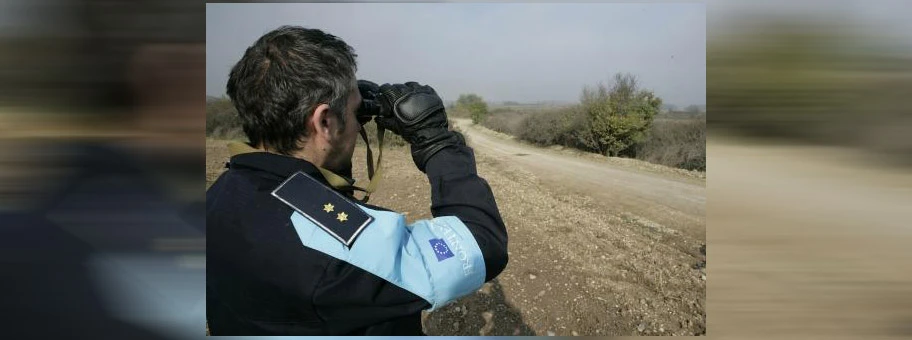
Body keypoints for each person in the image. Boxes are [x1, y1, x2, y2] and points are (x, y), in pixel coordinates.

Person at [206, 26, 509, 335]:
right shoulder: (332, 249)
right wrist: (436, 140)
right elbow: (480, 243)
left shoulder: (220, 195)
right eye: (354, 111)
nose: (358, 116)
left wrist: (342, 127)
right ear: (324, 121)